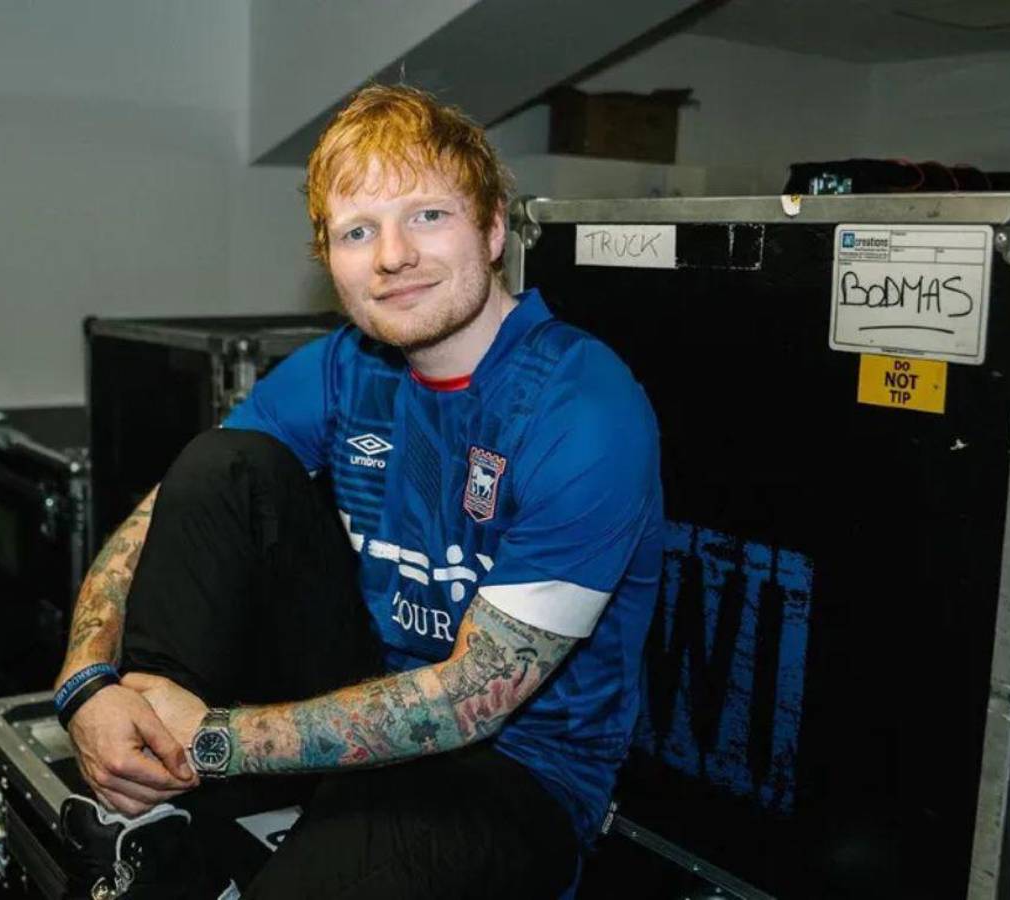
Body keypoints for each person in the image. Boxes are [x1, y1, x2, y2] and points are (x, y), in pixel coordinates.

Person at [53, 83, 664, 899]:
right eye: (358, 231)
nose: (392, 256)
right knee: (220, 465)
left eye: (428, 216)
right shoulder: (344, 368)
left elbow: (471, 701)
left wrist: (218, 740)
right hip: (358, 684)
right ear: (331, 262)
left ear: (492, 230)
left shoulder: (582, 406)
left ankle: (183, 772)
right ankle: (156, 807)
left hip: (513, 772)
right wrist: (86, 683)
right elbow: (163, 512)